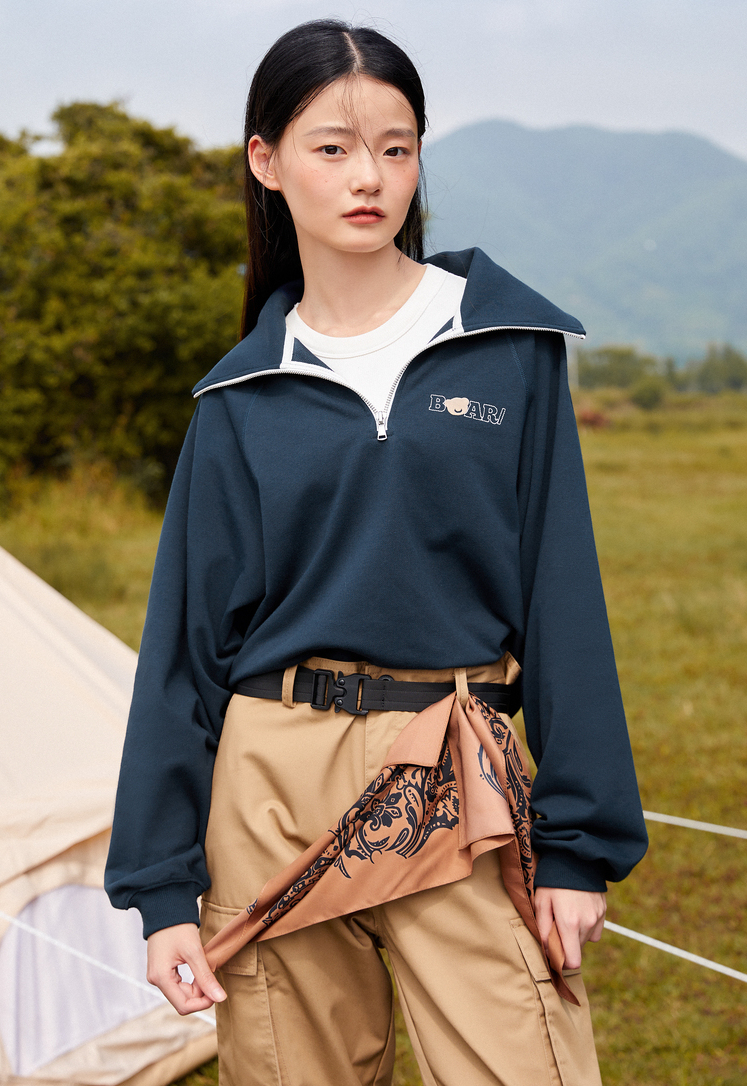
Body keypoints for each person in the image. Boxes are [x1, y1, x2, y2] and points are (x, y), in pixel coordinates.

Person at [105, 19, 648, 1086]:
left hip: (456, 766)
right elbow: (182, 652)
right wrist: (163, 891)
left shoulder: (506, 347)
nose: (370, 177)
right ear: (266, 162)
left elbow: (563, 598)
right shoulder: (239, 395)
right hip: (270, 781)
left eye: (396, 149)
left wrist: (579, 846)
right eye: (334, 148)